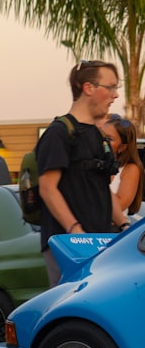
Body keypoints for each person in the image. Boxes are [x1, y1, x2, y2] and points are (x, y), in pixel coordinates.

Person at [36, 60, 129, 286]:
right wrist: (75, 232)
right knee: (71, 309)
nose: (115, 95)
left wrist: (125, 226)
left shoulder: (97, 135)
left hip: (99, 242)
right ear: (88, 88)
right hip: (67, 246)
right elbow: (48, 188)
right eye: (111, 87)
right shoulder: (59, 133)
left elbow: (102, 188)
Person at [101, 115, 143, 220]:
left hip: (111, 232)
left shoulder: (130, 169)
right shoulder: (94, 164)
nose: (103, 142)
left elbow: (119, 206)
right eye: (100, 136)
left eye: (109, 139)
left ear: (122, 147)